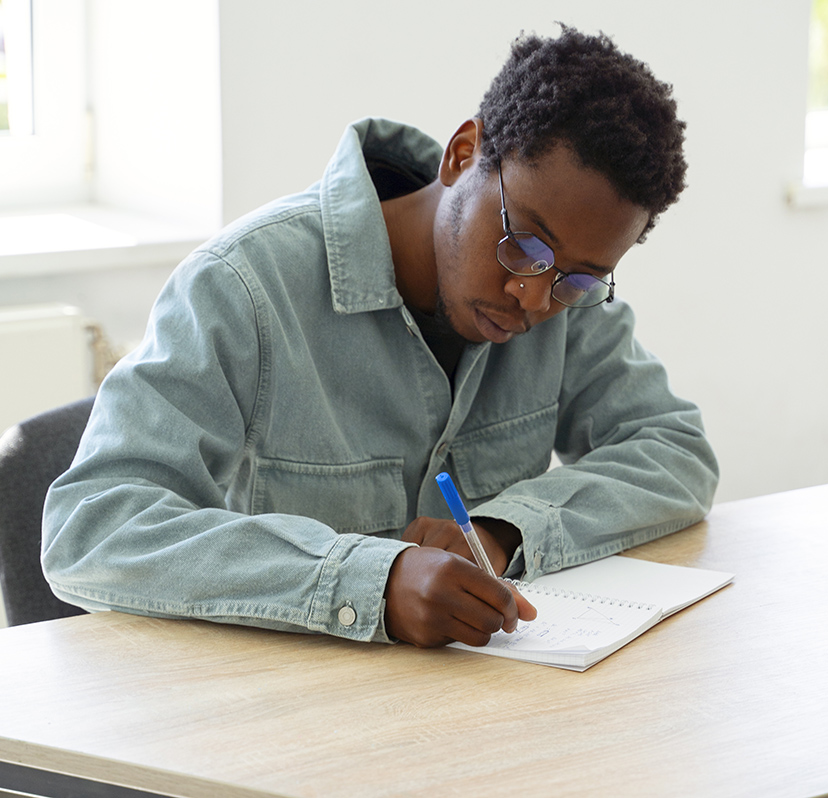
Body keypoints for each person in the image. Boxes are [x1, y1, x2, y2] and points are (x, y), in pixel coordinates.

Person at [43, 25, 718, 650]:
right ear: (462, 155)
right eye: (522, 245)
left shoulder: (562, 298)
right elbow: (92, 527)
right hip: (267, 723)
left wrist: (504, 528)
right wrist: (369, 580)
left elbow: (675, 449)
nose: (534, 298)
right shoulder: (243, 286)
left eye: (577, 279)